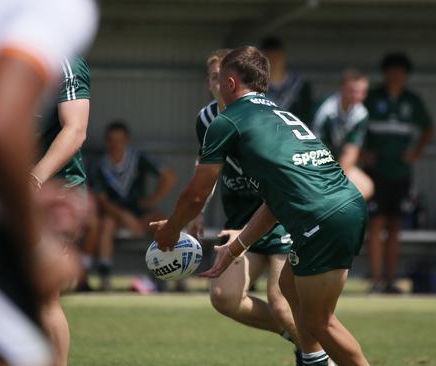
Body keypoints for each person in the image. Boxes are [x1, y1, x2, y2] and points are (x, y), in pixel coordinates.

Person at [152, 46, 369, 366]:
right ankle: (313, 361)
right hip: (339, 206)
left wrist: (171, 230)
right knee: (289, 291)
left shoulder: (230, 121)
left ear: (228, 82)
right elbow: (275, 200)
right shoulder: (277, 114)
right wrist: (237, 246)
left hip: (321, 216)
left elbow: (197, 194)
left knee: (320, 321)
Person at [0, 0, 97, 364]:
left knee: (42, 306)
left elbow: (74, 130)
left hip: (18, 190)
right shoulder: (58, 9)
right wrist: (35, 242)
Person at [193, 48, 301, 364]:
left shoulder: (261, 113)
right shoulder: (207, 119)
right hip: (240, 220)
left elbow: (283, 175)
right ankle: (298, 335)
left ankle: (320, 353)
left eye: (222, 77)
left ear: (235, 80)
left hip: (278, 215)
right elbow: (206, 167)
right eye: (212, 77)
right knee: (224, 297)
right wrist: (198, 209)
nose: (218, 83)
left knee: (281, 303)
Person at [33, 55, 92, 366]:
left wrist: (34, 179)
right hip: (0, 184)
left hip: (53, 189)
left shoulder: (64, 59)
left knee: (42, 295)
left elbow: (75, 130)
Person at [363, 52, 434, 294]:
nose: (396, 76)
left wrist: (416, 152)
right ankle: (376, 280)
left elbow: (428, 128)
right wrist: (362, 154)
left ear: (406, 76)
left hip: (401, 173)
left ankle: (391, 280)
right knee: (376, 224)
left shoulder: (412, 101)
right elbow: (354, 126)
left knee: (395, 226)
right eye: (391, 71)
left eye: (401, 72)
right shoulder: (372, 98)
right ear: (385, 74)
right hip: (375, 173)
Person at [92, 121, 177, 290]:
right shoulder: (99, 164)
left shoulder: (138, 157)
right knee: (106, 225)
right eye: (112, 140)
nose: (116, 144)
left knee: (164, 224)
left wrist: (152, 199)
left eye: (120, 140)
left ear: (127, 140)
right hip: (114, 214)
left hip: (140, 212)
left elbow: (169, 176)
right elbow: (102, 200)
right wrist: (124, 217)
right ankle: (105, 279)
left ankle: (169, 275)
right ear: (106, 141)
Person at [312, 68, 374, 200]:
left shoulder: (361, 113)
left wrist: (336, 181)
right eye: (353, 91)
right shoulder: (325, 109)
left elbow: (351, 153)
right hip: (313, 163)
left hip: (337, 165)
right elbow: (311, 146)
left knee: (366, 187)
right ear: (342, 88)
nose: (357, 96)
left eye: (362, 92)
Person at [260, 36, 314, 125]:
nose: (274, 61)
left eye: (277, 56)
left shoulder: (300, 85)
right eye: (270, 57)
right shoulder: (254, 86)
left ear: (284, 56)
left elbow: (307, 118)